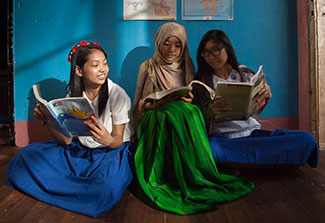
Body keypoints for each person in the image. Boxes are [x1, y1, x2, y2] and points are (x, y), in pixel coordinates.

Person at [131, 22, 254, 215]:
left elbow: (193, 97)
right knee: (173, 114)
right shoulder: (147, 66)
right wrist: (155, 103)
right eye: (166, 43)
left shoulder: (187, 65)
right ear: (158, 42)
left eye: (177, 45)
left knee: (190, 111)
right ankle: (168, 177)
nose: (171, 49)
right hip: (155, 117)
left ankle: (192, 175)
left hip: (181, 114)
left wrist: (189, 100)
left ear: (184, 47)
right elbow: (139, 103)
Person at [7, 41, 133, 217]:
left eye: (105, 63)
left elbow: (118, 141)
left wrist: (107, 139)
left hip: (111, 153)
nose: (103, 69)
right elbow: (66, 141)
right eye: (95, 65)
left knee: (107, 189)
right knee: (25, 157)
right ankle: (76, 189)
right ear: (79, 71)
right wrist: (48, 121)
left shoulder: (117, 94)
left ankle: (72, 189)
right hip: (80, 151)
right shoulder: (73, 96)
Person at [196, 29, 318, 167]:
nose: (211, 56)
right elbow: (197, 121)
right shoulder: (202, 81)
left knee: (306, 139)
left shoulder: (245, 73)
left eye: (216, 50)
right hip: (223, 139)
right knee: (212, 150)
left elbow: (254, 113)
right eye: (206, 53)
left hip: (251, 134)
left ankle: (242, 161)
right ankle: (265, 160)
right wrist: (208, 112)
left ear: (227, 48)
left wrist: (265, 98)